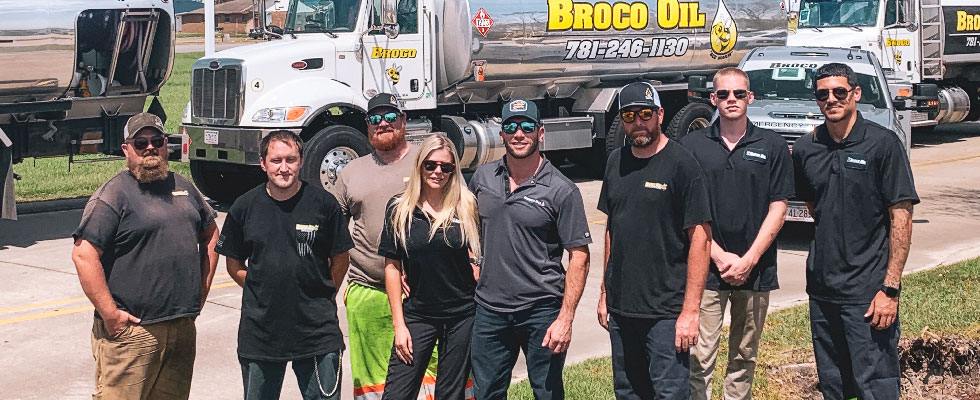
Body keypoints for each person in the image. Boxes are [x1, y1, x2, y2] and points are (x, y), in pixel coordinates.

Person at [71, 112, 219, 400]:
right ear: (127, 149)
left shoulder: (184, 186)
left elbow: (212, 235)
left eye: (157, 141)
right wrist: (111, 315)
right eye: (141, 143)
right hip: (133, 336)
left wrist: (200, 293)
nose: (150, 148)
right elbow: (83, 255)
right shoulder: (114, 195)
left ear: (166, 144)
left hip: (181, 328)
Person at [793, 63, 918, 400]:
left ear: (856, 94)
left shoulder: (883, 145)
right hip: (822, 290)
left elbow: (901, 218)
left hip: (869, 292)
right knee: (834, 386)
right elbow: (813, 206)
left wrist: (889, 289)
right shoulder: (806, 149)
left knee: (874, 387)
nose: (831, 99)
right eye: (823, 94)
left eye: (839, 92)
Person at [679, 68, 794, 400]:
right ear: (713, 99)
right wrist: (716, 254)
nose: (732, 100)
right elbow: (686, 211)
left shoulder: (771, 145)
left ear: (750, 98)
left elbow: (779, 207)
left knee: (744, 357)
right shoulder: (691, 146)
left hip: (755, 271)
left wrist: (749, 259)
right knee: (699, 357)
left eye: (739, 94)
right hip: (705, 271)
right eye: (724, 94)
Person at [467, 99, 592, 399]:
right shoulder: (482, 178)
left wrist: (565, 318)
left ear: (540, 132)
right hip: (490, 310)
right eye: (511, 127)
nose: (518, 134)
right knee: (486, 393)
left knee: (547, 392)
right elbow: (466, 226)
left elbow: (580, 256)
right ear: (502, 134)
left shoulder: (561, 189)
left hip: (542, 310)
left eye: (526, 127)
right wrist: (471, 259)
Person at [597, 82, 712, 399]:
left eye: (646, 113)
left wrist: (690, 311)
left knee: (669, 393)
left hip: (666, 312)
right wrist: (605, 293)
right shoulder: (615, 162)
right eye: (630, 115)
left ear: (660, 114)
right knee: (628, 392)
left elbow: (700, 239)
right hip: (622, 310)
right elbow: (612, 228)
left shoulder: (682, 165)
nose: (638, 122)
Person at [217, 130, 354, 400]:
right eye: (276, 160)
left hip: (317, 332)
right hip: (261, 334)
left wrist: (322, 292)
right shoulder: (244, 207)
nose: (283, 168)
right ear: (263, 164)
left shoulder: (324, 204)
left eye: (290, 160)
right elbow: (233, 262)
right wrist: (259, 284)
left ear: (301, 161)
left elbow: (341, 258)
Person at [327, 93, 441, 400]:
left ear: (403, 121)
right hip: (368, 289)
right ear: (367, 126)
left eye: (390, 117)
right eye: (375, 119)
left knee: (432, 376)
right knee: (374, 382)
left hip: (423, 294)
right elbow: (332, 232)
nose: (383, 124)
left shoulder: (427, 163)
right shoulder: (351, 172)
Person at [378, 134, 481, 400]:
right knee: (397, 394)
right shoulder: (399, 208)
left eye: (446, 167)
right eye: (431, 165)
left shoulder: (466, 205)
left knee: (450, 394)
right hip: (418, 315)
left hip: (462, 315)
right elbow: (392, 266)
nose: (438, 172)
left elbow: (481, 252)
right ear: (420, 165)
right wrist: (399, 325)